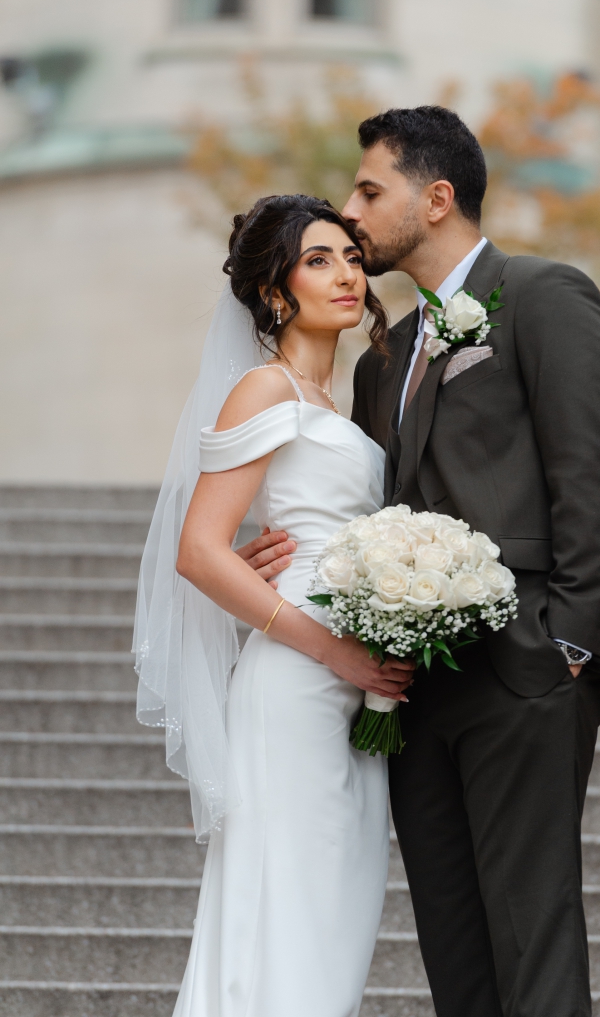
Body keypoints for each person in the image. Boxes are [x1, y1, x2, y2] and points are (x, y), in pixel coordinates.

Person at [345, 106, 600, 1017]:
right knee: (454, 950)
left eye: (369, 190)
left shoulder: (546, 294)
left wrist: (568, 645)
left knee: (531, 934)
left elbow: (589, 478)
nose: (351, 212)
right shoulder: (380, 360)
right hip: (414, 686)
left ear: (436, 199)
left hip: (526, 667)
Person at [133, 195, 414, 1015]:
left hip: (353, 684)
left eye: (354, 258)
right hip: (296, 683)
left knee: (334, 916)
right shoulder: (263, 389)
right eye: (319, 260)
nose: (347, 274)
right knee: (283, 916)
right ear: (276, 290)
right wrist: (332, 651)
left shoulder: (344, 407)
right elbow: (198, 549)